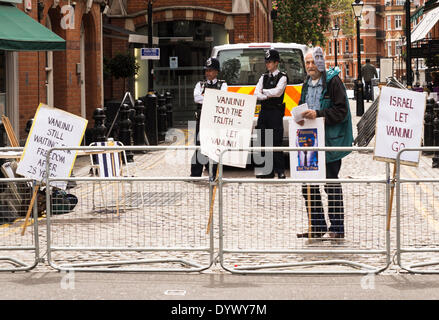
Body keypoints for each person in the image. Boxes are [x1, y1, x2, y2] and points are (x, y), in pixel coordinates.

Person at [296, 47, 353, 240]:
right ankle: (317, 226)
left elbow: (341, 111)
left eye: (313, 62)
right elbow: (301, 105)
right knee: (308, 185)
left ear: (320, 62)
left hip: (329, 141)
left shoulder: (333, 82)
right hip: (309, 142)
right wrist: (300, 117)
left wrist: (319, 114)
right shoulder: (306, 83)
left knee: (331, 184)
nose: (310, 66)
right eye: (307, 63)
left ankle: (337, 227)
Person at [191, 57, 228, 180]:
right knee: (199, 145)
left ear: (217, 71)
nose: (208, 73)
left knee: (214, 147)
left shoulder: (223, 84)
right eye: (206, 70)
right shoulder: (200, 84)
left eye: (211, 70)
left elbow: (221, 98)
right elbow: (197, 98)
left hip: (215, 122)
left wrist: (206, 97)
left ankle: (213, 174)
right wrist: (213, 97)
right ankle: (195, 174)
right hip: (202, 120)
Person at [253, 49, 288, 179]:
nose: (268, 64)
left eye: (270, 62)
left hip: (275, 112)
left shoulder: (283, 77)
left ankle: (280, 171)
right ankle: (265, 171)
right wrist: (266, 94)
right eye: (267, 62)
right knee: (263, 140)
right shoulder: (263, 77)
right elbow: (256, 93)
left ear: (276, 63)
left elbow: (278, 92)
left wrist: (264, 93)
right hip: (264, 112)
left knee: (276, 141)